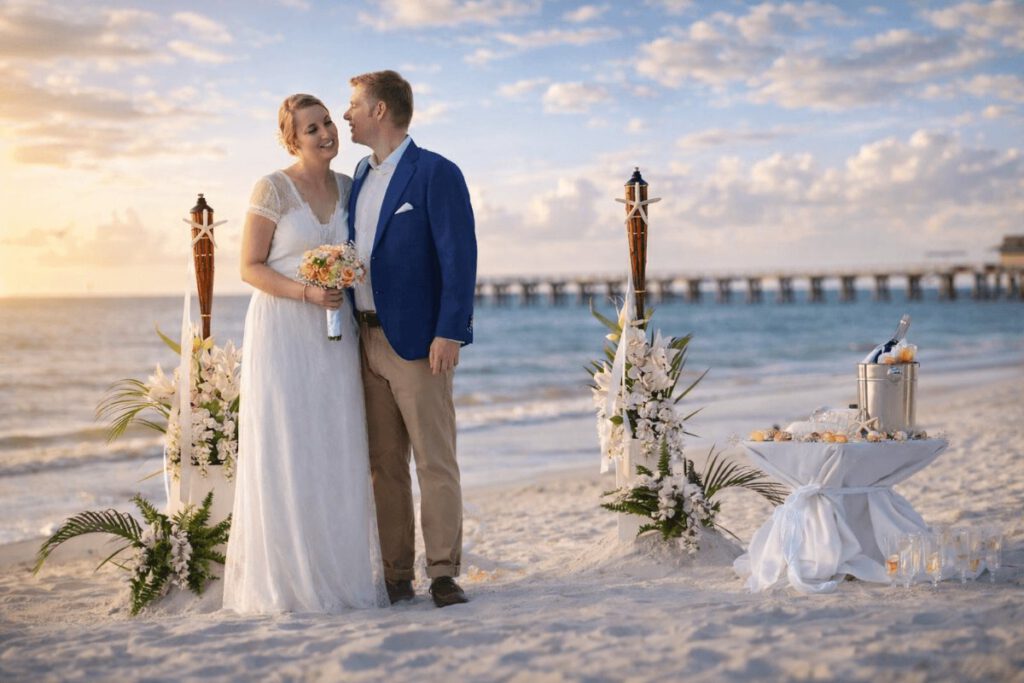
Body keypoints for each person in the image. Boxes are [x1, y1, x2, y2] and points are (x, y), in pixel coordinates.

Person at [223, 94, 388, 613]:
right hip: (284, 330)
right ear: (291, 139)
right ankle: (290, 583)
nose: (325, 134)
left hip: (334, 337)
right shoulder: (271, 188)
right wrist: (307, 292)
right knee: (289, 449)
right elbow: (250, 267)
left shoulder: (349, 187)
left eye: (328, 124)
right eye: (311, 128)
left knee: (336, 446)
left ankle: (339, 574)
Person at [343, 70, 477, 608]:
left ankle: (443, 571)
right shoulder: (358, 173)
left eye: (353, 104)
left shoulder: (436, 172)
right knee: (384, 466)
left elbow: (459, 257)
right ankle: (397, 576)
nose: (346, 113)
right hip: (365, 339)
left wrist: (451, 330)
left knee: (434, 460)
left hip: (421, 343)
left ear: (380, 110)